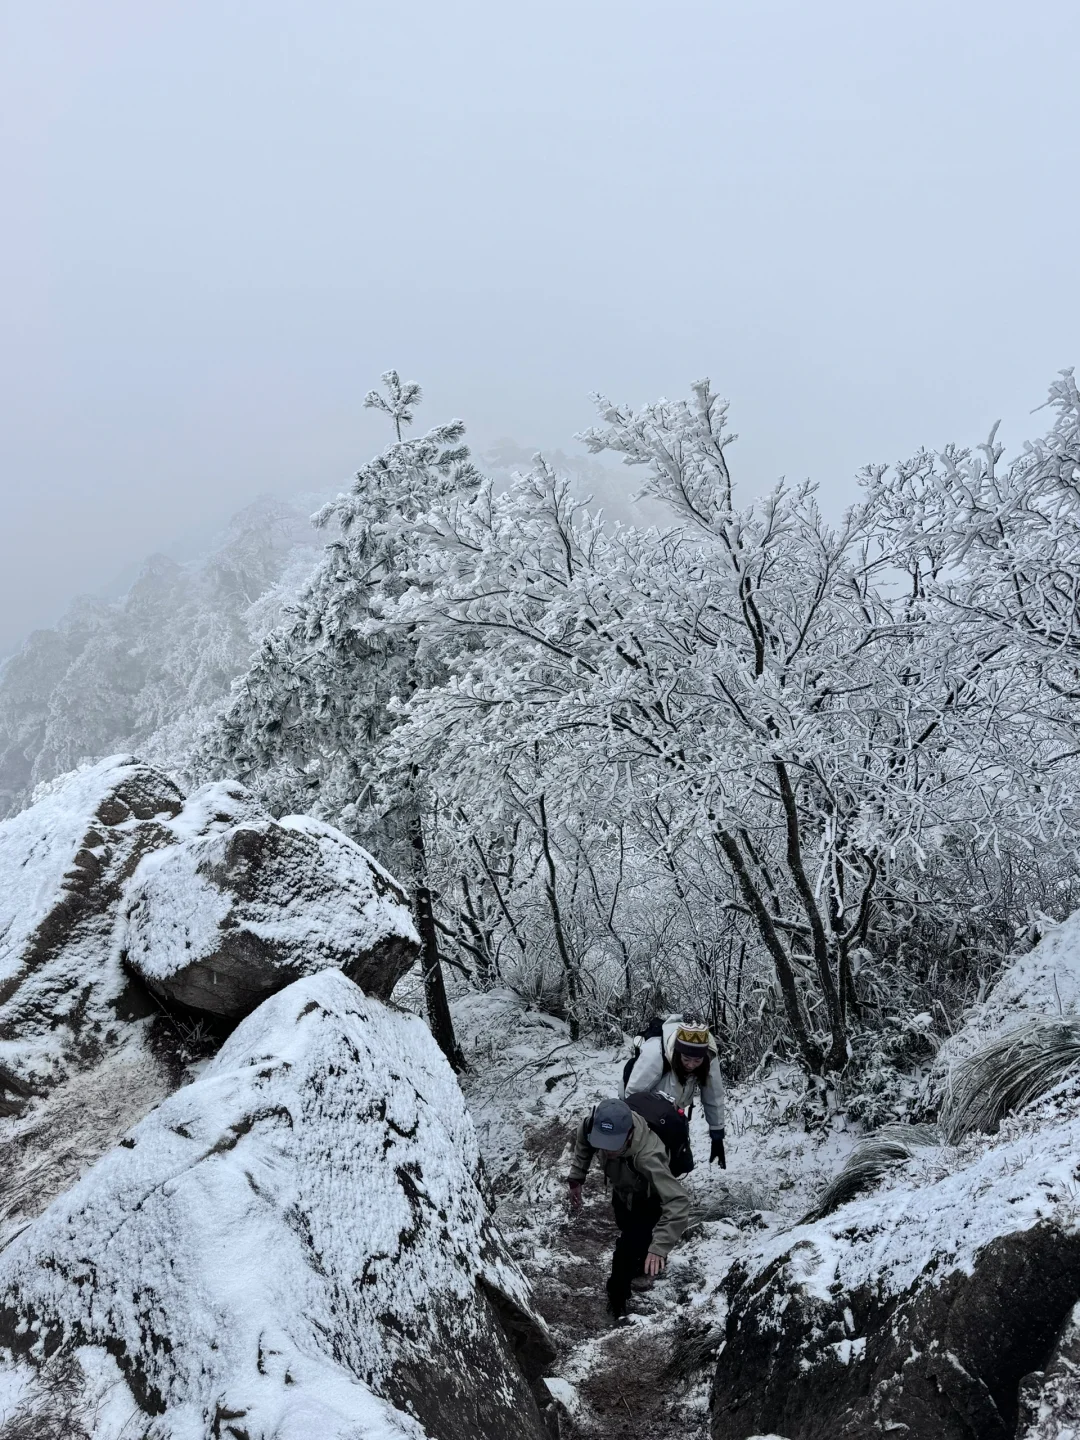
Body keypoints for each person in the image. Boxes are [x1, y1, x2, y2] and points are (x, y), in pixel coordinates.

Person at [566, 1097, 691, 1320]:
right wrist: (577, 1178)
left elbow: (678, 1201)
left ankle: (617, 1299)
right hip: (622, 1189)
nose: (606, 1150)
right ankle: (640, 1261)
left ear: (629, 1133)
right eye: (602, 1143)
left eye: (612, 1145)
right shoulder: (593, 1125)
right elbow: (583, 1137)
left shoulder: (649, 1157)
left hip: (649, 1195)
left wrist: (659, 1247)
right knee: (627, 1226)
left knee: (629, 1244)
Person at [623, 1017, 726, 1168]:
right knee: (648, 1160)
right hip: (648, 1111)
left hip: (674, 1112)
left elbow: (714, 1094)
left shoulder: (709, 1055)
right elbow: (632, 1095)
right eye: (686, 1059)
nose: (691, 1065)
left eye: (697, 1061)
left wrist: (717, 1136)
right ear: (678, 1052)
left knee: (678, 1162)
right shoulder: (655, 1053)